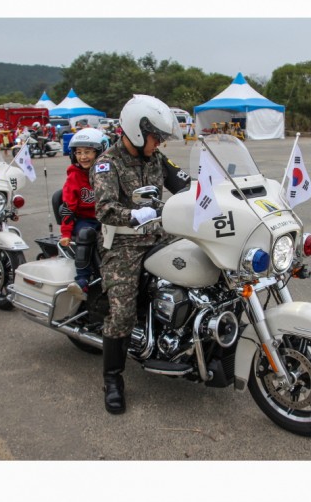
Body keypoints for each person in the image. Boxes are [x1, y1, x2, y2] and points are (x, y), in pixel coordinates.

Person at [91, 94, 190, 415]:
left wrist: (219, 191)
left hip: (160, 233)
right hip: (123, 243)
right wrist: (133, 215)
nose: (159, 142)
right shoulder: (108, 162)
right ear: (136, 130)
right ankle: (113, 379)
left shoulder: (157, 160)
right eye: (155, 136)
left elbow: (186, 185)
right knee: (122, 312)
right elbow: (104, 208)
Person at [58, 128, 107, 295]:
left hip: (107, 217)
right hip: (85, 220)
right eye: (78, 152)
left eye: (88, 152)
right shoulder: (74, 177)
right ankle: (82, 280)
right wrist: (65, 232)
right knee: (86, 233)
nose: (83, 156)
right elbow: (68, 207)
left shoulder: (108, 173)